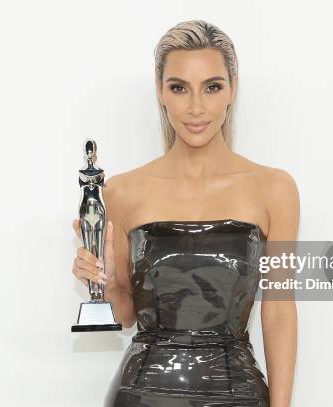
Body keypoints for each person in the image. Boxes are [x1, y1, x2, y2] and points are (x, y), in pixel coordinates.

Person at [72, 20, 299, 407]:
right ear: (161, 93)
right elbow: (126, 315)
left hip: (238, 395)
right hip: (142, 396)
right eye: (180, 88)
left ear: (232, 90)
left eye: (212, 87)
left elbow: (278, 312)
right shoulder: (122, 192)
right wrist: (103, 282)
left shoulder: (274, 190)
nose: (196, 107)